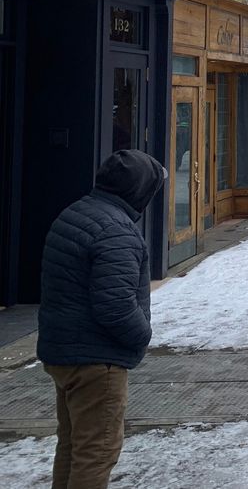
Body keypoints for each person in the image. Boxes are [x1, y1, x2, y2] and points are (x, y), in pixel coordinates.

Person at [39, 149, 165, 489]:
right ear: (139, 190)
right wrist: (142, 335)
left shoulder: (76, 213)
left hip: (64, 352)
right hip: (97, 361)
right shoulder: (116, 230)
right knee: (97, 452)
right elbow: (116, 306)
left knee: (73, 446)